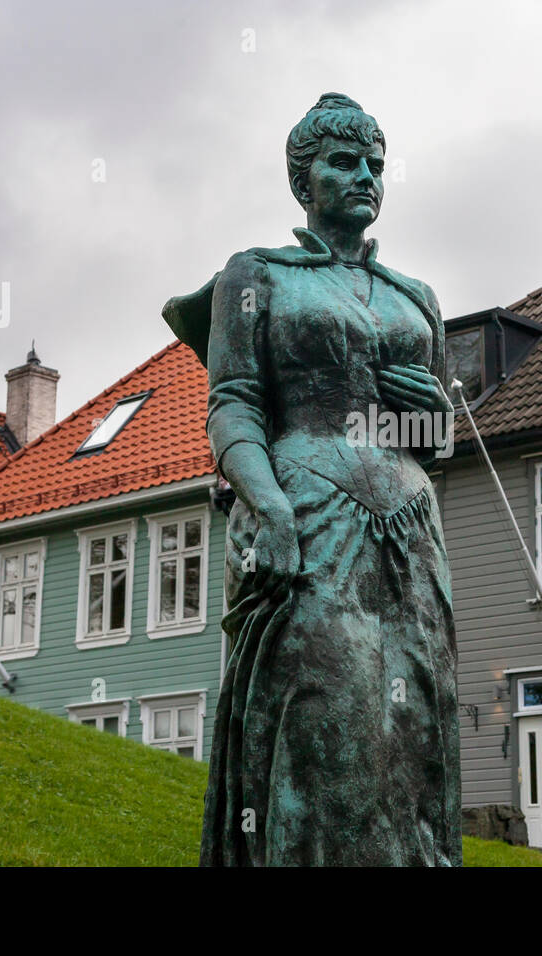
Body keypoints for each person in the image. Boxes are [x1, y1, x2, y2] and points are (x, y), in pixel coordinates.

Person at [163, 93, 461, 866]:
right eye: (342, 162)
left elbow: (430, 444)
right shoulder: (255, 275)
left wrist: (433, 417)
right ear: (304, 180)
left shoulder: (416, 298)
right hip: (309, 513)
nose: (363, 175)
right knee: (326, 716)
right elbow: (234, 407)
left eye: (374, 165)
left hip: (410, 536)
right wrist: (268, 506)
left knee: (415, 729)